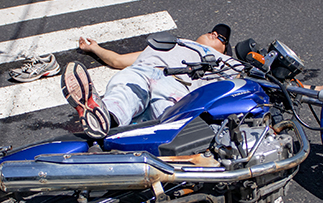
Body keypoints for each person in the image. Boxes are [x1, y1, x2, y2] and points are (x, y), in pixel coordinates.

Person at [62, 24, 231, 139]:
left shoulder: (223, 61)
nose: (214, 34)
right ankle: (105, 117)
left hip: (177, 83)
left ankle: (171, 134)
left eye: (221, 38)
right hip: (144, 72)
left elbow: (244, 77)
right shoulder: (172, 43)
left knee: (167, 107)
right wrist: (94, 48)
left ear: (225, 50)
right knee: (124, 90)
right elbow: (118, 61)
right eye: (213, 31)